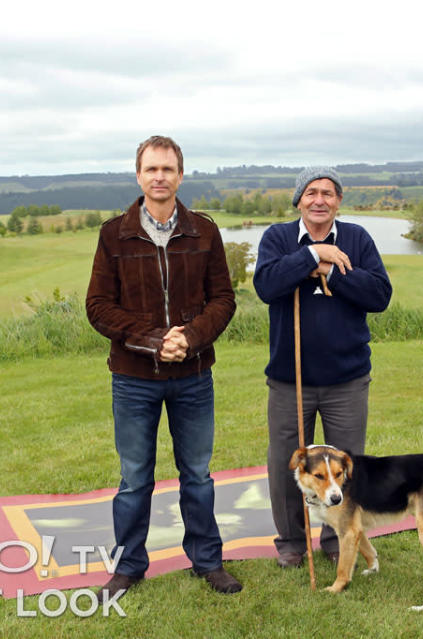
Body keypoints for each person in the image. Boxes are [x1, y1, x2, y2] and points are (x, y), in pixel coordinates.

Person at [86, 135, 242, 595]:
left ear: (180, 174)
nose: (160, 177)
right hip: (134, 379)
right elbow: (98, 306)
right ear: (138, 175)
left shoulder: (204, 231)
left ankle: (207, 561)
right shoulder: (113, 234)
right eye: (151, 169)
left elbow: (224, 300)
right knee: (135, 478)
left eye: (168, 169)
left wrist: (189, 339)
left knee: (197, 475)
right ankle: (129, 567)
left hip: (194, 377)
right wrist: (155, 341)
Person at [253, 166, 392, 567]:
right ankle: (292, 544)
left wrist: (332, 269)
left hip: (346, 379)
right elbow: (266, 285)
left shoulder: (357, 239)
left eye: (328, 193)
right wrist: (311, 255)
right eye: (311, 192)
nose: (319, 200)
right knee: (287, 463)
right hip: (289, 378)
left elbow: (379, 294)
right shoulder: (277, 238)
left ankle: (336, 540)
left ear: (339, 201)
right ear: (299, 200)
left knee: (345, 465)